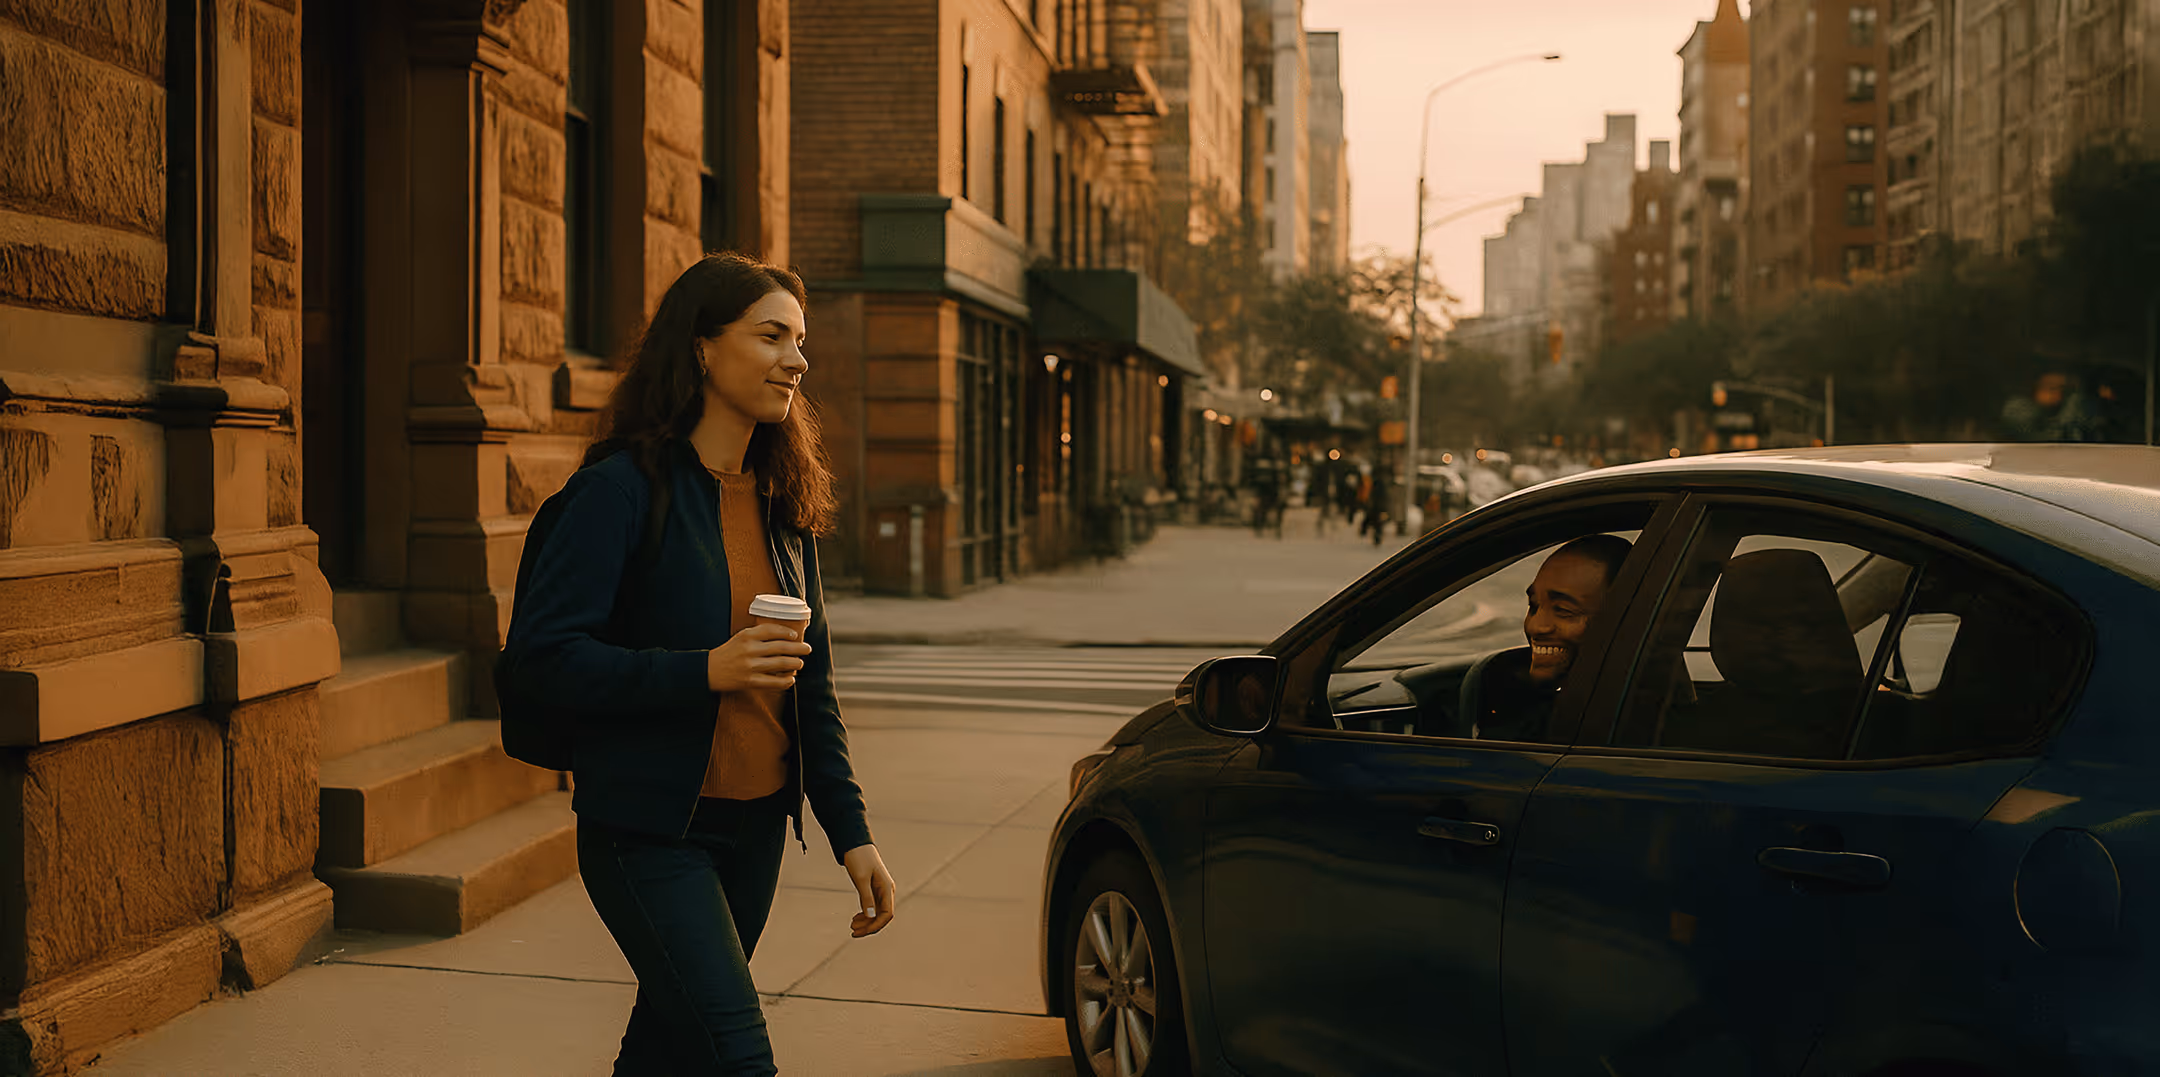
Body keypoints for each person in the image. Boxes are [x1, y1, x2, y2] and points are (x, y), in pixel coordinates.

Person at [499, 253, 897, 1075]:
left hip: (754, 835)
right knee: (738, 1056)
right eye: (772, 336)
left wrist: (851, 832)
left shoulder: (783, 505)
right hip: (648, 832)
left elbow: (813, 687)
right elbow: (544, 658)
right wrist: (703, 670)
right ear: (704, 348)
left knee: (668, 1050)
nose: (797, 358)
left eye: (800, 340)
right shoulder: (617, 493)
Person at [1463, 534, 1633, 742]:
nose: (1535, 626)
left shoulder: (1616, 720)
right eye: (1534, 605)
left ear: (1622, 618)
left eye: (1563, 610)